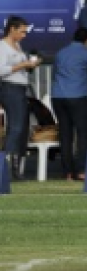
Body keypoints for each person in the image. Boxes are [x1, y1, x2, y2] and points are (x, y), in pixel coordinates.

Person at [50, 27, 87, 182]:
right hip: (78, 96)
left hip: (58, 97)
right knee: (82, 134)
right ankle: (81, 170)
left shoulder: (60, 53)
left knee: (65, 134)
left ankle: (67, 172)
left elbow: (54, 75)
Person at [1, 15, 39, 180]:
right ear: (12, 29)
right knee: (16, 127)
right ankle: (6, 167)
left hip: (20, 87)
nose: (25, 35)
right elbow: (1, 71)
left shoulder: (17, 45)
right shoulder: (2, 46)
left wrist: (30, 65)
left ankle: (14, 167)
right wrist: (23, 65)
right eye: (22, 32)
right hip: (10, 87)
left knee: (20, 128)